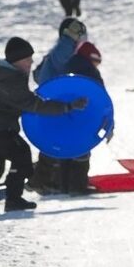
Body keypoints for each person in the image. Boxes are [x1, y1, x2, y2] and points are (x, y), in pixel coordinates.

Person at [0, 37, 86, 217]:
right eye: (27, 59)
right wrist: (66, 107)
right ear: (16, 60)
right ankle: (13, 199)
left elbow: (27, 103)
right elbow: (31, 104)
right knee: (21, 155)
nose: (31, 62)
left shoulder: (6, 76)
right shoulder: (9, 79)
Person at [30, 40, 107, 195]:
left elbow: (39, 77)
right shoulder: (88, 70)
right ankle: (76, 186)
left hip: (56, 114)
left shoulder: (61, 63)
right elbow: (99, 96)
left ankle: (52, 183)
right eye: (96, 63)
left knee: (59, 148)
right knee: (81, 149)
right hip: (79, 117)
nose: (96, 66)